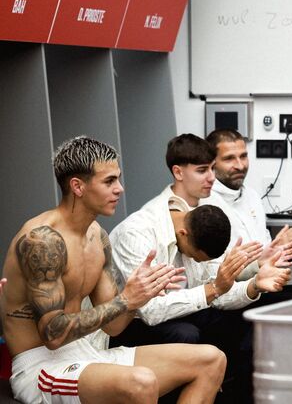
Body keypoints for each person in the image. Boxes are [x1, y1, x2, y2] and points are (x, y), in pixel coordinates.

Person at [0, 136, 226, 404]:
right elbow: (53, 335)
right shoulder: (42, 241)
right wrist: (125, 299)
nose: (120, 189)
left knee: (211, 359)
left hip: (87, 354)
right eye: (109, 181)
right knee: (141, 381)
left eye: (118, 178)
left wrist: (140, 297)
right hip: (42, 367)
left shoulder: (97, 236)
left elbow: (114, 327)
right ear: (78, 186)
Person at [108, 134, 292, 402]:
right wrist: (214, 288)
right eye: (202, 169)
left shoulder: (200, 218)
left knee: (247, 321)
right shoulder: (139, 234)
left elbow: (216, 288)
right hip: (128, 323)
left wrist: (253, 285)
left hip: (179, 311)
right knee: (187, 333)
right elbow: (150, 311)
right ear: (183, 235)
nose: (211, 178)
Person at [203, 128, 292, 299]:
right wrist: (260, 265)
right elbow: (215, 273)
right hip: (234, 296)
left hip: (264, 287)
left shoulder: (251, 196)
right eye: (229, 158)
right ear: (211, 163)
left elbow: (267, 253)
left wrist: (291, 251)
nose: (240, 165)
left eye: (243, 156)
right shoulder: (205, 205)